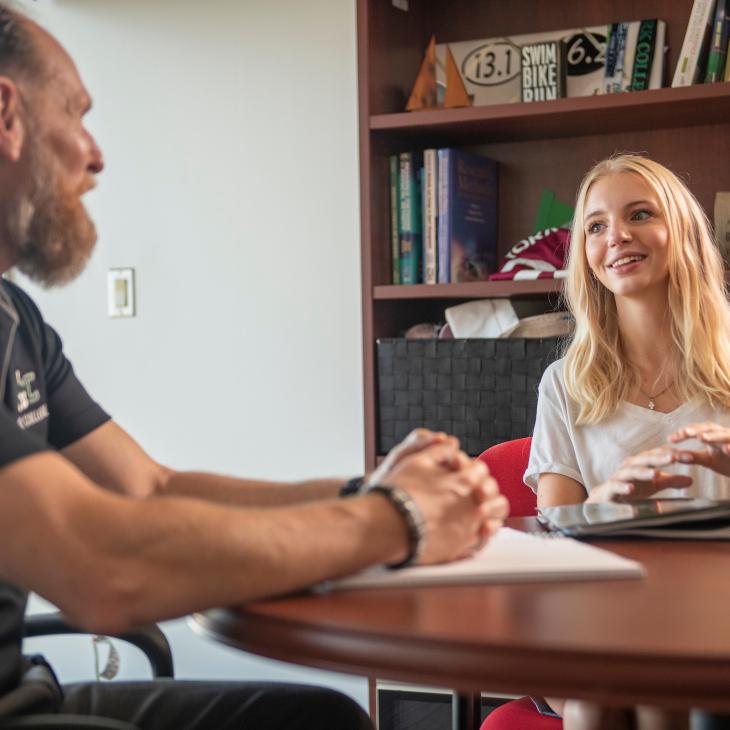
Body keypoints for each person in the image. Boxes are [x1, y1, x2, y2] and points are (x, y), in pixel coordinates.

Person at [0, 5, 510, 730]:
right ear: (7, 113)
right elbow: (101, 567)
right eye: (77, 113)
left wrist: (368, 488)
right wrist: (396, 517)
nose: (96, 153)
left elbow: (150, 489)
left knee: (320, 721)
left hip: (30, 694)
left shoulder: (15, 318)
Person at [526, 153, 730, 729]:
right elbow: (550, 547)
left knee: (646, 685)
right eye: (595, 226)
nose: (616, 235)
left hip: (716, 625)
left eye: (640, 214)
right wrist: (606, 503)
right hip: (601, 620)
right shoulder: (564, 385)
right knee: (610, 686)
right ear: (585, 257)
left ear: (681, 233)